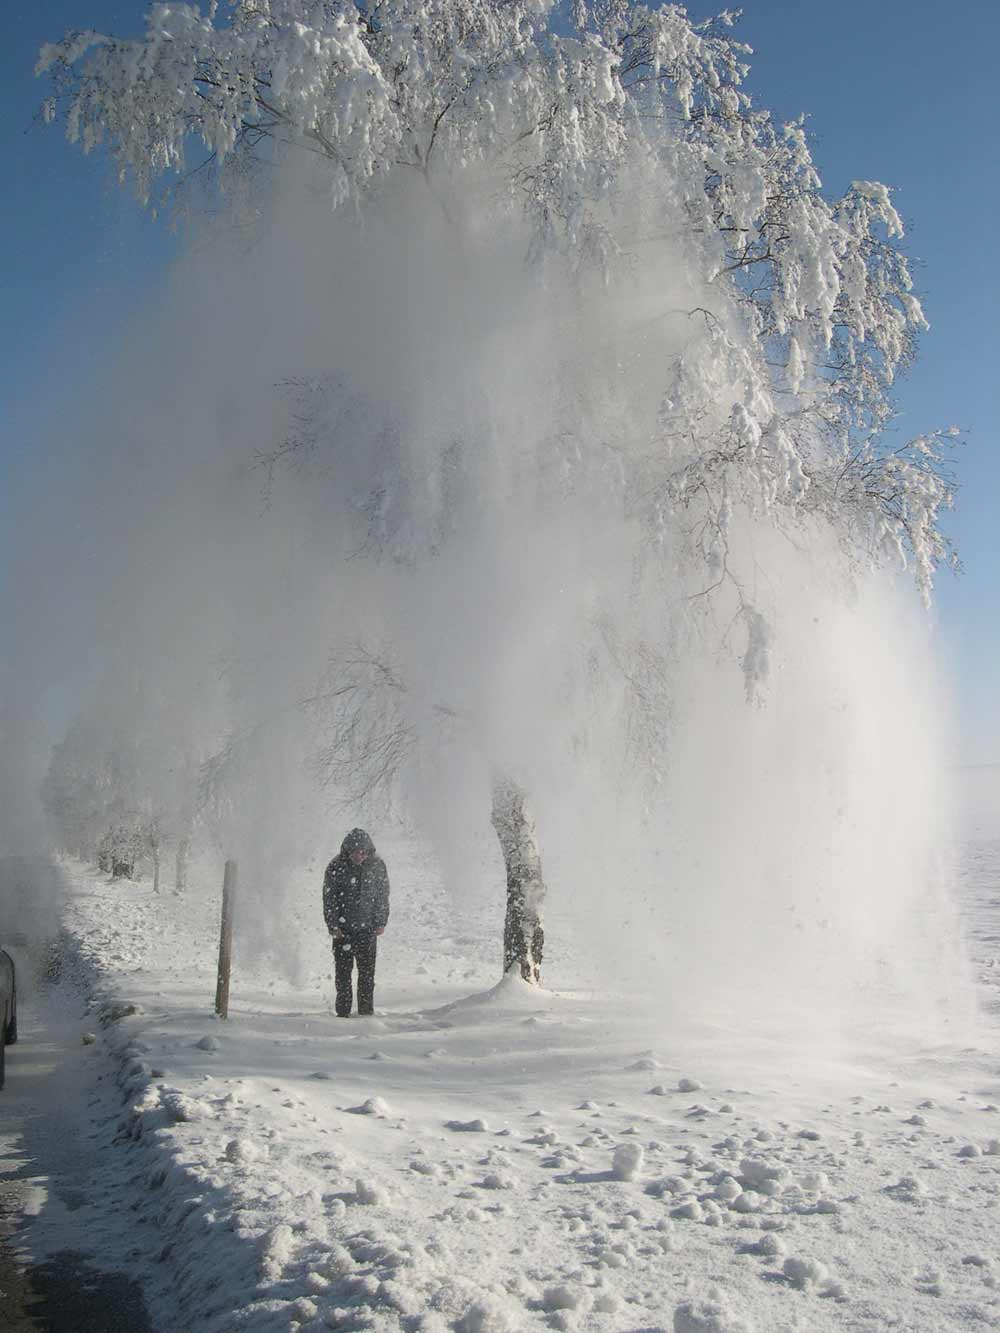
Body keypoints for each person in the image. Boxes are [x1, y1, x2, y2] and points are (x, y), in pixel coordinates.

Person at [322, 828, 390, 1017]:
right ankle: (342, 1014)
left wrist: (380, 921)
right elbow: (329, 899)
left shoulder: (377, 866)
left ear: (369, 851)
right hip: (343, 932)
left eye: (363, 852)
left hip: (367, 931)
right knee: (343, 977)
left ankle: (366, 1014)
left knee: (367, 977)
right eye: (355, 852)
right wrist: (333, 925)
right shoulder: (336, 867)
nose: (360, 855)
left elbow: (382, 896)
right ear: (347, 851)